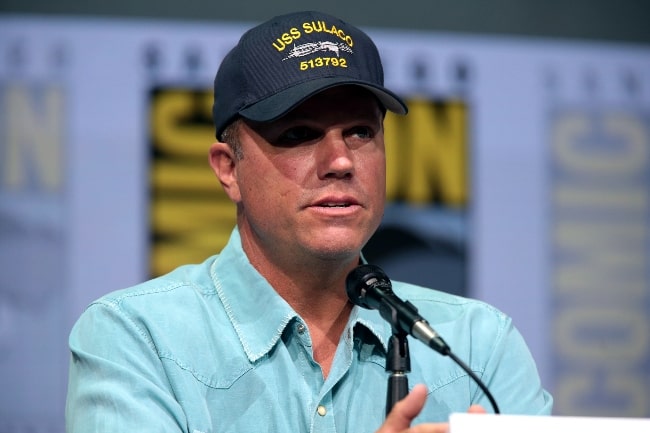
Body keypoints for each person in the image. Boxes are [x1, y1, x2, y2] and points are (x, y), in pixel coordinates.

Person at [65, 10, 552, 433]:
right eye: (299, 133)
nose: (340, 160)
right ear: (228, 168)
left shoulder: (477, 344)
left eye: (361, 131)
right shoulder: (136, 336)